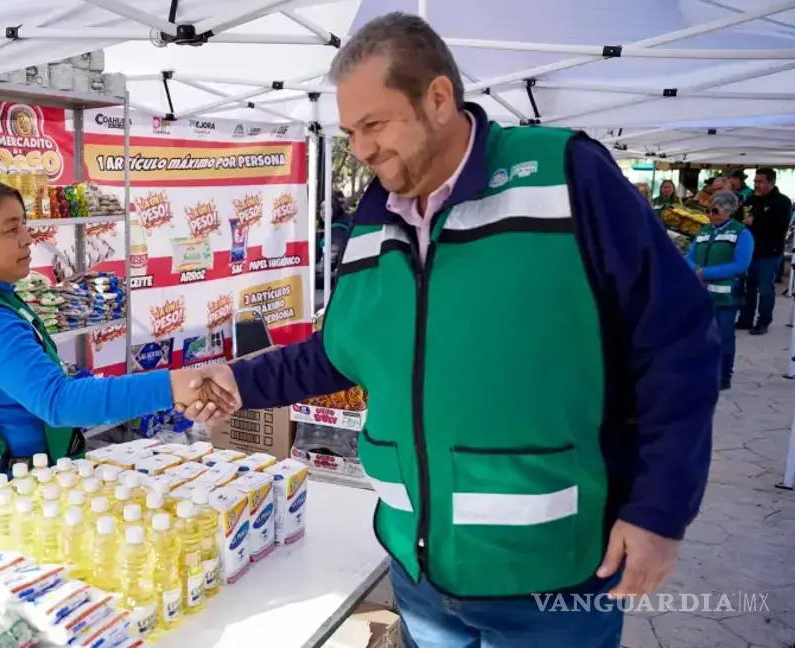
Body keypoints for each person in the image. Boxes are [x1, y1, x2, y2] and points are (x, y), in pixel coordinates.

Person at [195, 12, 717, 647]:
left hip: (550, 572)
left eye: (375, 124)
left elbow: (676, 343)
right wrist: (237, 381)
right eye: (351, 132)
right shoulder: (373, 215)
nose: (360, 149)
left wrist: (659, 511)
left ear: (438, 98)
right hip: (419, 573)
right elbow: (342, 352)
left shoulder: (565, 176)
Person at [0, 178, 234, 530]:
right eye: (10, 230)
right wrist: (174, 386)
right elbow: (59, 402)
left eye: (24, 224)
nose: (27, 238)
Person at [687, 191, 753, 390]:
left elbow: (741, 264)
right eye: (707, 209)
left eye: (713, 210)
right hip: (700, 295)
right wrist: (695, 270)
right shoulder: (704, 231)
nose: (709, 214)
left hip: (725, 295)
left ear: (728, 211)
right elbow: (689, 255)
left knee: (723, 336)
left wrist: (706, 272)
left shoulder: (742, 233)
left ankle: (723, 376)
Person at [736, 168, 792, 334]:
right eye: (755, 182)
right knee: (748, 288)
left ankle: (763, 322)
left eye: (760, 182)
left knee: (766, 289)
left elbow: (781, 225)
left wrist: (756, 221)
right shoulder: (751, 199)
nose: (756, 185)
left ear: (771, 182)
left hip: (769, 252)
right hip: (750, 252)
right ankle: (746, 319)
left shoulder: (782, 202)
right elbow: (740, 217)